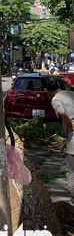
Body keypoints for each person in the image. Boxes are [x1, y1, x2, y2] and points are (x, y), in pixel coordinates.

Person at [43, 76, 74, 206]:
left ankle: (73, 202)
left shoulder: (56, 100)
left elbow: (61, 112)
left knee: (72, 172)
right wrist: (65, 139)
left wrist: (70, 124)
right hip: (71, 139)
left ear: (46, 90)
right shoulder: (71, 94)